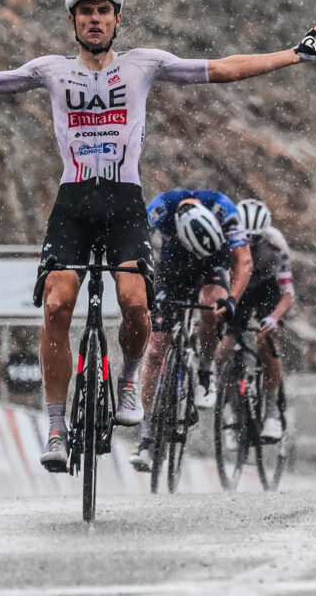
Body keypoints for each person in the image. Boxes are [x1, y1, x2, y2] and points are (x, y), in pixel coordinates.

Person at [0, 0, 316, 471]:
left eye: (103, 10)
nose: (94, 19)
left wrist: (295, 54)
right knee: (57, 306)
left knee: (135, 304)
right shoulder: (50, 70)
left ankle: (128, 383)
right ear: (72, 20)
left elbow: (223, 69)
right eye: (85, 11)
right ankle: (56, 429)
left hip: (124, 203)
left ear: (117, 19)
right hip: (73, 205)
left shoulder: (145, 64)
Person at [130, 189, 252, 471]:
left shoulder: (224, 209)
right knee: (155, 349)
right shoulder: (162, 207)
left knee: (211, 307)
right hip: (173, 269)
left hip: (213, 264)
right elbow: (136, 237)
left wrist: (232, 298)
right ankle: (146, 433)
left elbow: (244, 260)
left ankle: (206, 369)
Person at [214, 198, 295, 444]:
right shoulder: (224, 237)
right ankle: (231, 410)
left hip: (266, 289)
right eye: (243, 237)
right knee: (222, 352)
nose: (248, 243)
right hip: (238, 289)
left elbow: (288, 293)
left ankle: (272, 411)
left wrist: (273, 317)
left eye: (254, 239)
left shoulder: (276, 243)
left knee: (266, 339)